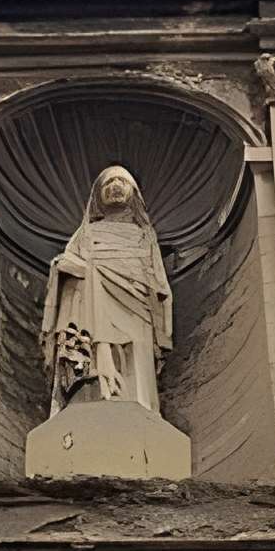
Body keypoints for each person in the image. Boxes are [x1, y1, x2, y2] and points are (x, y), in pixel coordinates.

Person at [42, 165, 172, 413]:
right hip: (94, 309)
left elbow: (158, 282)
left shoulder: (145, 235)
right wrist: (67, 266)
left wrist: (163, 325)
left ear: (133, 192)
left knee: (137, 366)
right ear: (98, 195)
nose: (115, 186)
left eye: (122, 181)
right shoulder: (86, 233)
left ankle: (142, 411)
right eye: (108, 183)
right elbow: (70, 266)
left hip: (137, 307)